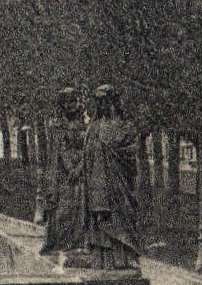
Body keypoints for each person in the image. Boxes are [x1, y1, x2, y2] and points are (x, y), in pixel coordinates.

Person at [83, 85, 141, 269]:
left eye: (104, 101)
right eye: (98, 102)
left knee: (122, 216)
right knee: (102, 220)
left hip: (119, 181)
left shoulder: (125, 125)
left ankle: (126, 255)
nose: (101, 105)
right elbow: (87, 154)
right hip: (98, 182)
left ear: (113, 101)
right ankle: (103, 258)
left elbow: (131, 153)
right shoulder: (94, 127)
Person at [41, 88, 87, 255]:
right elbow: (56, 152)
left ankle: (76, 244)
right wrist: (69, 168)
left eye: (73, 101)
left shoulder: (84, 127)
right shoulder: (57, 128)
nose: (70, 106)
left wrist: (79, 167)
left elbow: (88, 151)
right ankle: (60, 244)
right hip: (62, 177)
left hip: (81, 175)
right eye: (66, 102)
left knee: (79, 210)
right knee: (62, 212)